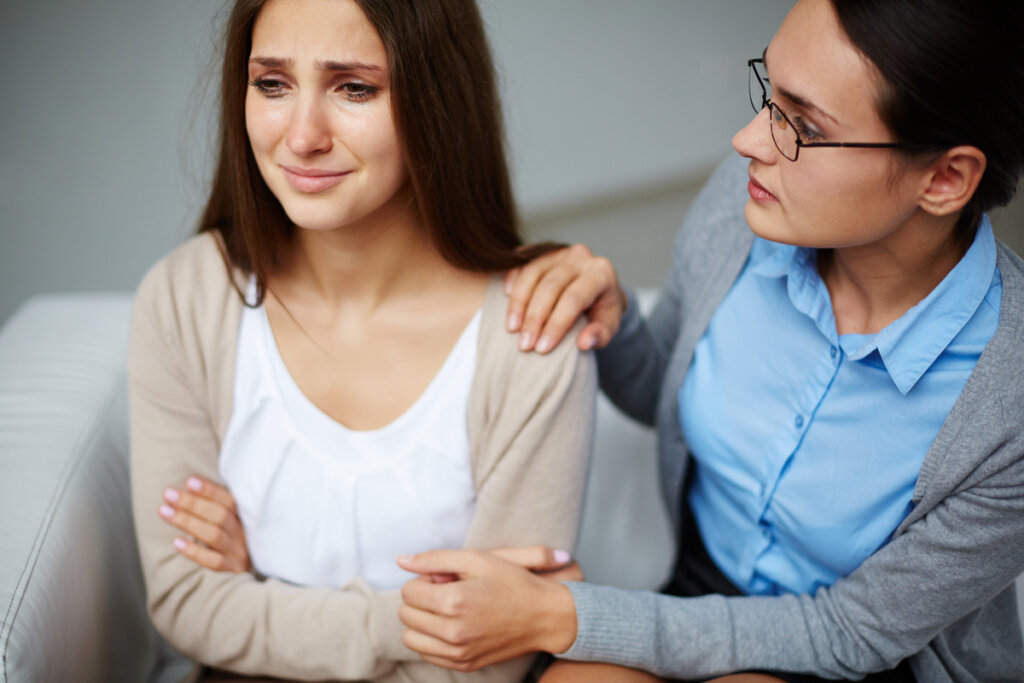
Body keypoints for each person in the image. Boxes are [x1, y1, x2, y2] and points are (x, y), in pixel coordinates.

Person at [393, 0, 1024, 681]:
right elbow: (666, 389)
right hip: (697, 590)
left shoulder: (1007, 404)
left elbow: (849, 632)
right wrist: (612, 321)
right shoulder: (744, 205)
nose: (748, 140)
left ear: (946, 179)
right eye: (768, 93)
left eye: (803, 125)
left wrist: (563, 614)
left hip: (865, 654)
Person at [126, 0, 595, 681]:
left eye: (354, 88)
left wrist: (262, 589)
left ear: (438, 100)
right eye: (272, 84)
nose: (302, 135)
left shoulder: (534, 327)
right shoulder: (184, 299)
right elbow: (186, 601)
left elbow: (495, 659)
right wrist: (415, 619)